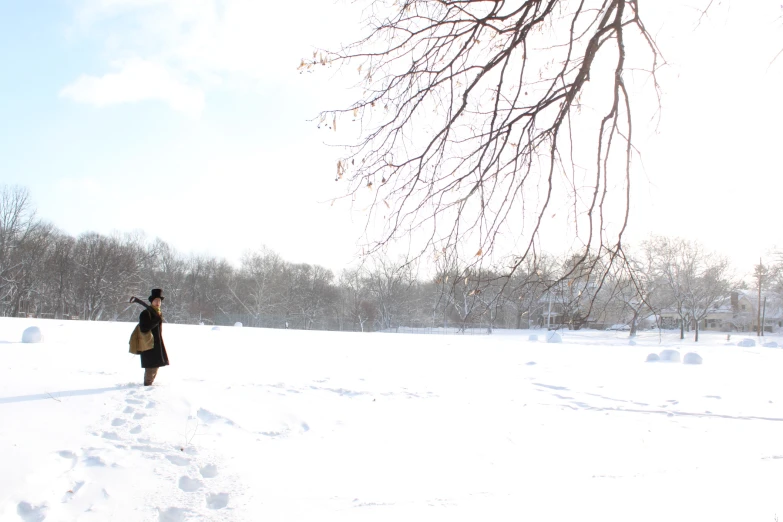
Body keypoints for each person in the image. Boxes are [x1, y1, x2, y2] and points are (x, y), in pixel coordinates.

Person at [139, 288, 169, 386]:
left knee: (156, 365)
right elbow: (144, 328)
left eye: (159, 301)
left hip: (157, 343)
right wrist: (156, 320)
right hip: (148, 343)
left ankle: (149, 384)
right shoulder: (145, 313)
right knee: (150, 365)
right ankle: (147, 386)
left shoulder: (157, 312)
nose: (158, 302)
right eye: (156, 300)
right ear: (152, 301)